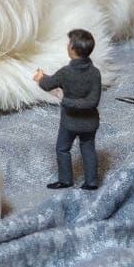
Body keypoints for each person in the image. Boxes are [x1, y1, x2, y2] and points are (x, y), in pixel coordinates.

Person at [34, 28, 102, 190]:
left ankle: (65, 180)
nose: (67, 46)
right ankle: (91, 182)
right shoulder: (95, 73)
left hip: (70, 122)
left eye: (69, 43)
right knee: (88, 149)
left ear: (73, 49)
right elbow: (93, 101)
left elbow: (48, 84)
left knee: (62, 149)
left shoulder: (66, 72)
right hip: (90, 122)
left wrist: (41, 78)